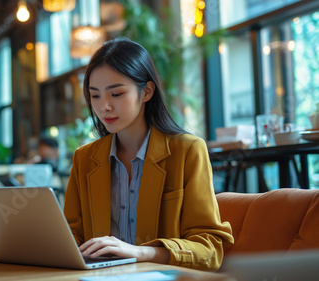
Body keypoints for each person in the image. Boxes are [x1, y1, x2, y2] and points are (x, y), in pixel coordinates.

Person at [63, 37, 233, 271]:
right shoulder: (84, 159)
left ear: (147, 92)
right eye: (95, 96)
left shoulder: (187, 150)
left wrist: (139, 252)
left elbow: (210, 248)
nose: (104, 107)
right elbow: (71, 237)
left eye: (117, 94)